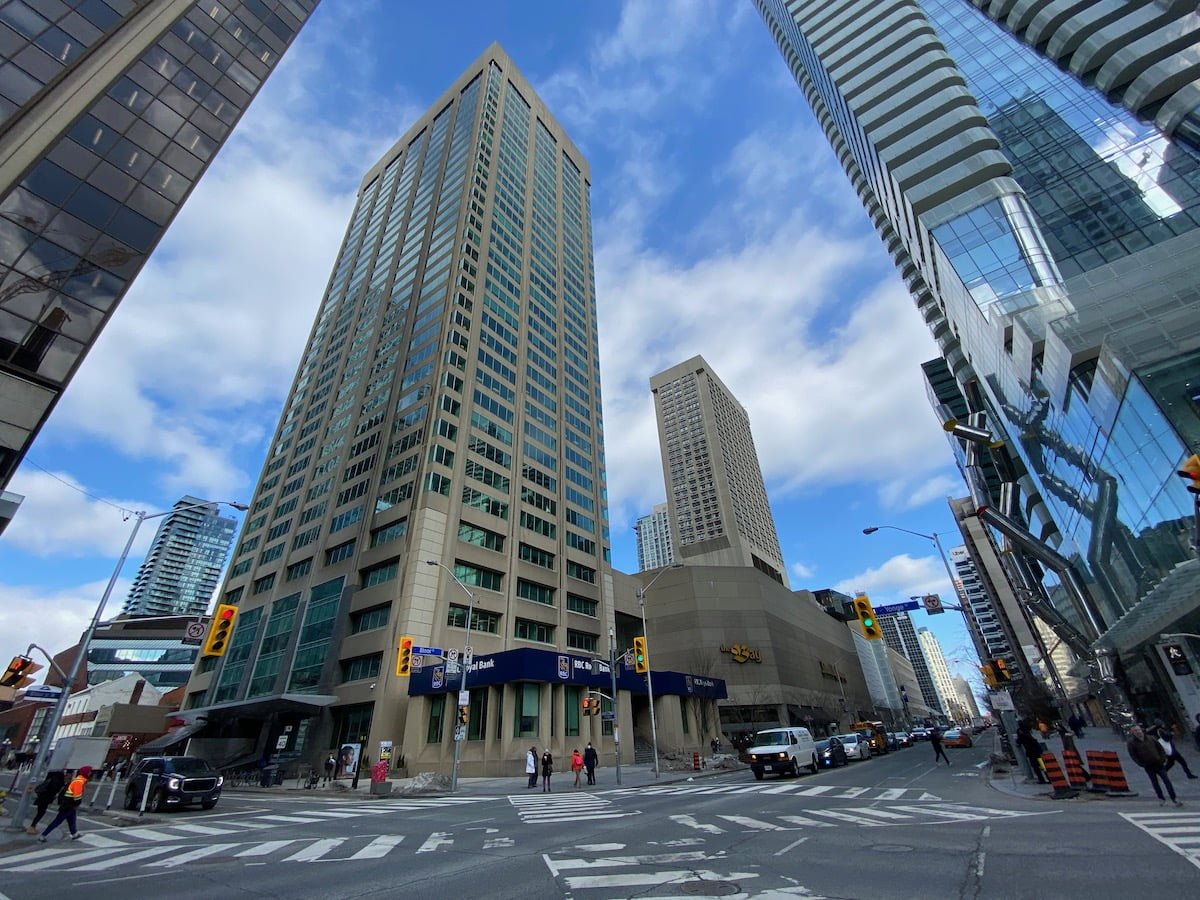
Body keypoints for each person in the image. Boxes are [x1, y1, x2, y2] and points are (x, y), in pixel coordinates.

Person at [1128, 724, 1183, 806]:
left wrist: (1163, 759)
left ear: (1141, 730)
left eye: (1138, 730)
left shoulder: (1151, 738)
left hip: (1159, 763)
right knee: (1155, 783)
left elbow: (1160, 749)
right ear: (1132, 732)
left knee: (1167, 781)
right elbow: (1133, 755)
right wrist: (1141, 764)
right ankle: (1161, 798)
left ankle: (1174, 798)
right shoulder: (1132, 743)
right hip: (1148, 765)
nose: (1137, 732)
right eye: (1135, 731)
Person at [38, 766, 92, 842]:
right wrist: (77, 804)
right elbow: (77, 796)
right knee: (57, 821)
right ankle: (43, 836)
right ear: (85, 773)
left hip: (68, 805)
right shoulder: (79, 782)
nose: (90, 773)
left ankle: (74, 834)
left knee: (72, 820)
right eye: (89, 772)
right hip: (68, 805)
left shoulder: (78, 780)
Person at [25, 770, 65, 834]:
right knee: (41, 812)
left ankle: (33, 826)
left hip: (42, 796)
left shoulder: (50, 777)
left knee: (40, 811)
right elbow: (55, 790)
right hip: (46, 798)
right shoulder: (57, 781)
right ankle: (32, 827)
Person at [1016, 719, 1049, 785]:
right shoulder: (1028, 730)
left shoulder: (1021, 732)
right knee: (1042, 765)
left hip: (1031, 752)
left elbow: (1019, 740)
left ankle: (1041, 779)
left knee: (1036, 767)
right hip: (1037, 750)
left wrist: (1018, 742)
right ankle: (1049, 778)